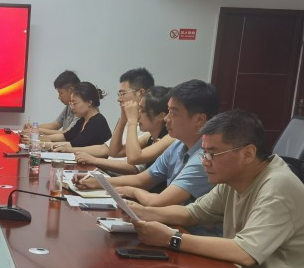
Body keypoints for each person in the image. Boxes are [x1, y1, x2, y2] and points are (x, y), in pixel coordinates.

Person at [129, 110, 304, 268]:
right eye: (203, 153)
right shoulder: (234, 179)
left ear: (248, 154)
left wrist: (171, 239)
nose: (205, 161)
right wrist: (144, 212)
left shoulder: (277, 187)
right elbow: (191, 213)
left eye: (213, 153)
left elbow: (244, 252)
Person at [74, 79, 219, 207]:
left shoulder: (204, 158)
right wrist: (96, 181)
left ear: (199, 120)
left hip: (182, 226)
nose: (167, 119)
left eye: (173, 113)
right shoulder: (178, 145)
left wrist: (133, 192)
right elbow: (141, 180)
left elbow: (158, 201)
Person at [74, 86, 175, 174]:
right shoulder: (149, 137)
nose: (138, 114)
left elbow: (133, 159)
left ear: (161, 116)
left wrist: (132, 121)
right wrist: (123, 119)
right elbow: (114, 152)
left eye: (142, 110)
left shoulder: (169, 138)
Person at [69, 67, 155, 159]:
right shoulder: (128, 119)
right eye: (119, 94)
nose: (119, 99)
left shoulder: (148, 125)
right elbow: (110, 150)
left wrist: (93, 160)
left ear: (140, 93)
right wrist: (123, 120)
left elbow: (133, 164)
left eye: (123, 94)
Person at [39, 82, 112, 149]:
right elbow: (66, 135)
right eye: (71, 104)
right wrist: (44, 138)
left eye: (75, 103)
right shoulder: (83, 119)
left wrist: (43, 144)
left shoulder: (97, 121)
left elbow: (75, 144)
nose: (72, 107)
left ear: (89, 102)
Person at [21, 70, 80, 137]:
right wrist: (34, 127)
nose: (59, 97)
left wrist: (37, 130)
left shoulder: (80, 109)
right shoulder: (69, 106)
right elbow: (54, 125)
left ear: (71, 90)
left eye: (61, 93)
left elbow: (67, 133)